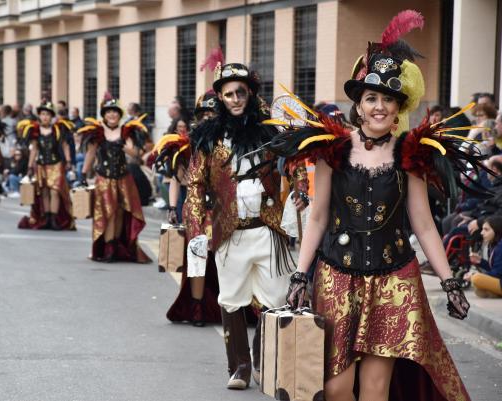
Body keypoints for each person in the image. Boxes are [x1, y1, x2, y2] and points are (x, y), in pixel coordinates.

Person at [282, 10, 473, 401]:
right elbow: (317, 218)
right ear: (359, 103)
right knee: (335, 389)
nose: (379, 107)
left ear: (399, 107)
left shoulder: (410, 154)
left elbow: (423, 224)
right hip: (337, 276)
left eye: (388, 98)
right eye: (372, 98)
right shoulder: (331, 148)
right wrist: (300, 276)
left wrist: (449, 280)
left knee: (374, 390)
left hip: (394, 281)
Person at [183, 63, 308, 389]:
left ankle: (262, 358)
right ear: (220, 98)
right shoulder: (208, 138)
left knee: (276, 298)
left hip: (269, 230)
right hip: (229, 232)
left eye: (241, 92)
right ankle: (239, 365)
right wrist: (196, 228)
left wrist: (300, 189)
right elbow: (195, 184)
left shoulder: (271, 130)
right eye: (229, 94)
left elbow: (294, 161)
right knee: (231, 298)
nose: (236, 99)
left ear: (250, 93)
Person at [159, 91, 225, 327]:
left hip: (223, 210)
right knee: (197, 257)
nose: (208, 118)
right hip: (196, 208)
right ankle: (197, 307)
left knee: (225, 258)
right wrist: (172, 207)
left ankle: (230, 307)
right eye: (203, 113)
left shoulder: (232, 143)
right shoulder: (186, 145)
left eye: (213, 113)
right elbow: (177, 177)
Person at [79, 99, 151, 263]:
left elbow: (136, 155)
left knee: (121, 211)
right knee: (108, 212)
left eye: (115, 111)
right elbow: (90, 155)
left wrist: (125, 147)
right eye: (108, 111)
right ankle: (108, 247)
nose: (112, 114)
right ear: (104, 114)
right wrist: (82, 174)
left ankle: (118, 245)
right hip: (104, 178)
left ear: (119, 115)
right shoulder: (96, 132)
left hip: (123, 178)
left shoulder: (127, 131)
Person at [17, 102, 75, 230]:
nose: (45, 117)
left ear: (52, 116)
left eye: (48, 114)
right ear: (39, 116)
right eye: (43, 114)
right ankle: (46, 218)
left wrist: (69, 161)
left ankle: (54, 219)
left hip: (56, 164)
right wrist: (30, 166)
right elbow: (34, 150)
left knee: (55, 191)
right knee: (44, 192)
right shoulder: (35, 130)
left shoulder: (58, 128)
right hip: (41, 165)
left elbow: (65, 146)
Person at [465, 216, 502, 297]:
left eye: (486, 229)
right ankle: (496, 293)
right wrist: (480, 261)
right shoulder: (493, 245)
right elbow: (494, 269)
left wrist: (473, 274)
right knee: (478, 290)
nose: (481, 232)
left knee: (476, 278)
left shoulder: (500, 247)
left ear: (497, 230)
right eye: (482, 229)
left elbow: (497, 274)